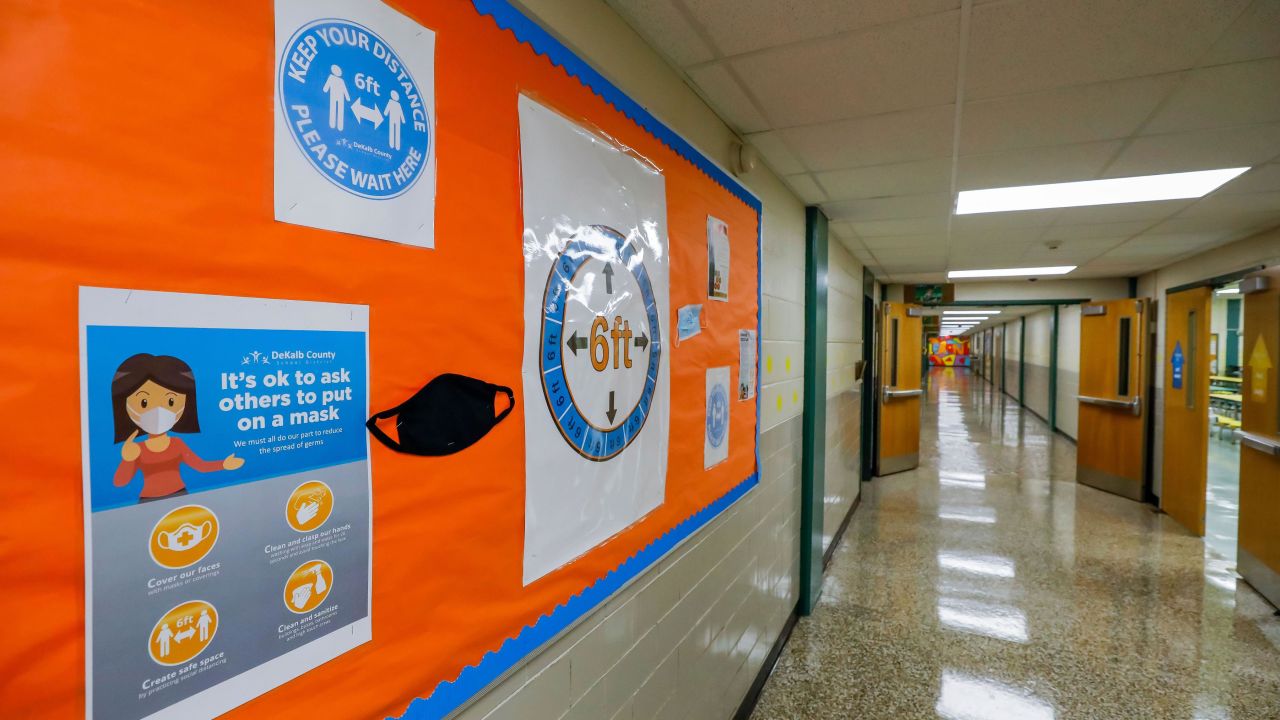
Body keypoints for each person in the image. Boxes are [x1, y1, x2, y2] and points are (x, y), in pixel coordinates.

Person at [111, 354, 243, 503]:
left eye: (171, 401)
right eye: (144, 402)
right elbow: (120, 482)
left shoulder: (177, 444)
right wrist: (128, 460)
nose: (158, 411)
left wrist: (224, 464)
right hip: (148, 501)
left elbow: (201, 466)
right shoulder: (136, 450)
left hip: (180, 496)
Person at [322, 65, 350, 131]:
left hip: (341, 97)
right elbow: (327, 86)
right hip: (334, 95)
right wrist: (325, 89)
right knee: (333, 109)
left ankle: (340, 126)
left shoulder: (341, 80)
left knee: (340, 110)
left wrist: (347, 97)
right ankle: (332, 124)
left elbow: (345, 89)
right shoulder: (331, 77)